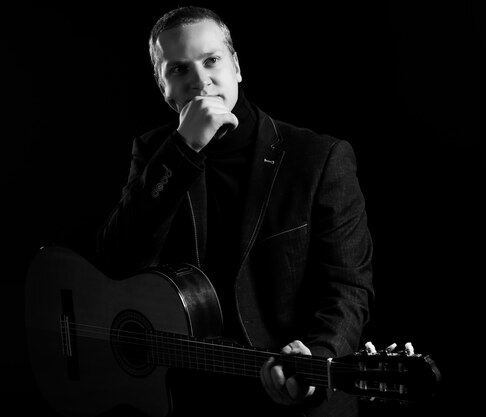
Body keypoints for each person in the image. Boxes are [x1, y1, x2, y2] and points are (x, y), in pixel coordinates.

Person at [96, 5, 374, 417]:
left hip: (291, 389)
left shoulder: (319, 157)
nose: (200, 82)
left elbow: (349, 288)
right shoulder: (155, 153)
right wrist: (183, 150)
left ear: (237, 66)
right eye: (178, 70)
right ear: (164, 88)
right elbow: (117, 263)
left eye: (211, 61)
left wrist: (315, 361)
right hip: (186, 392)